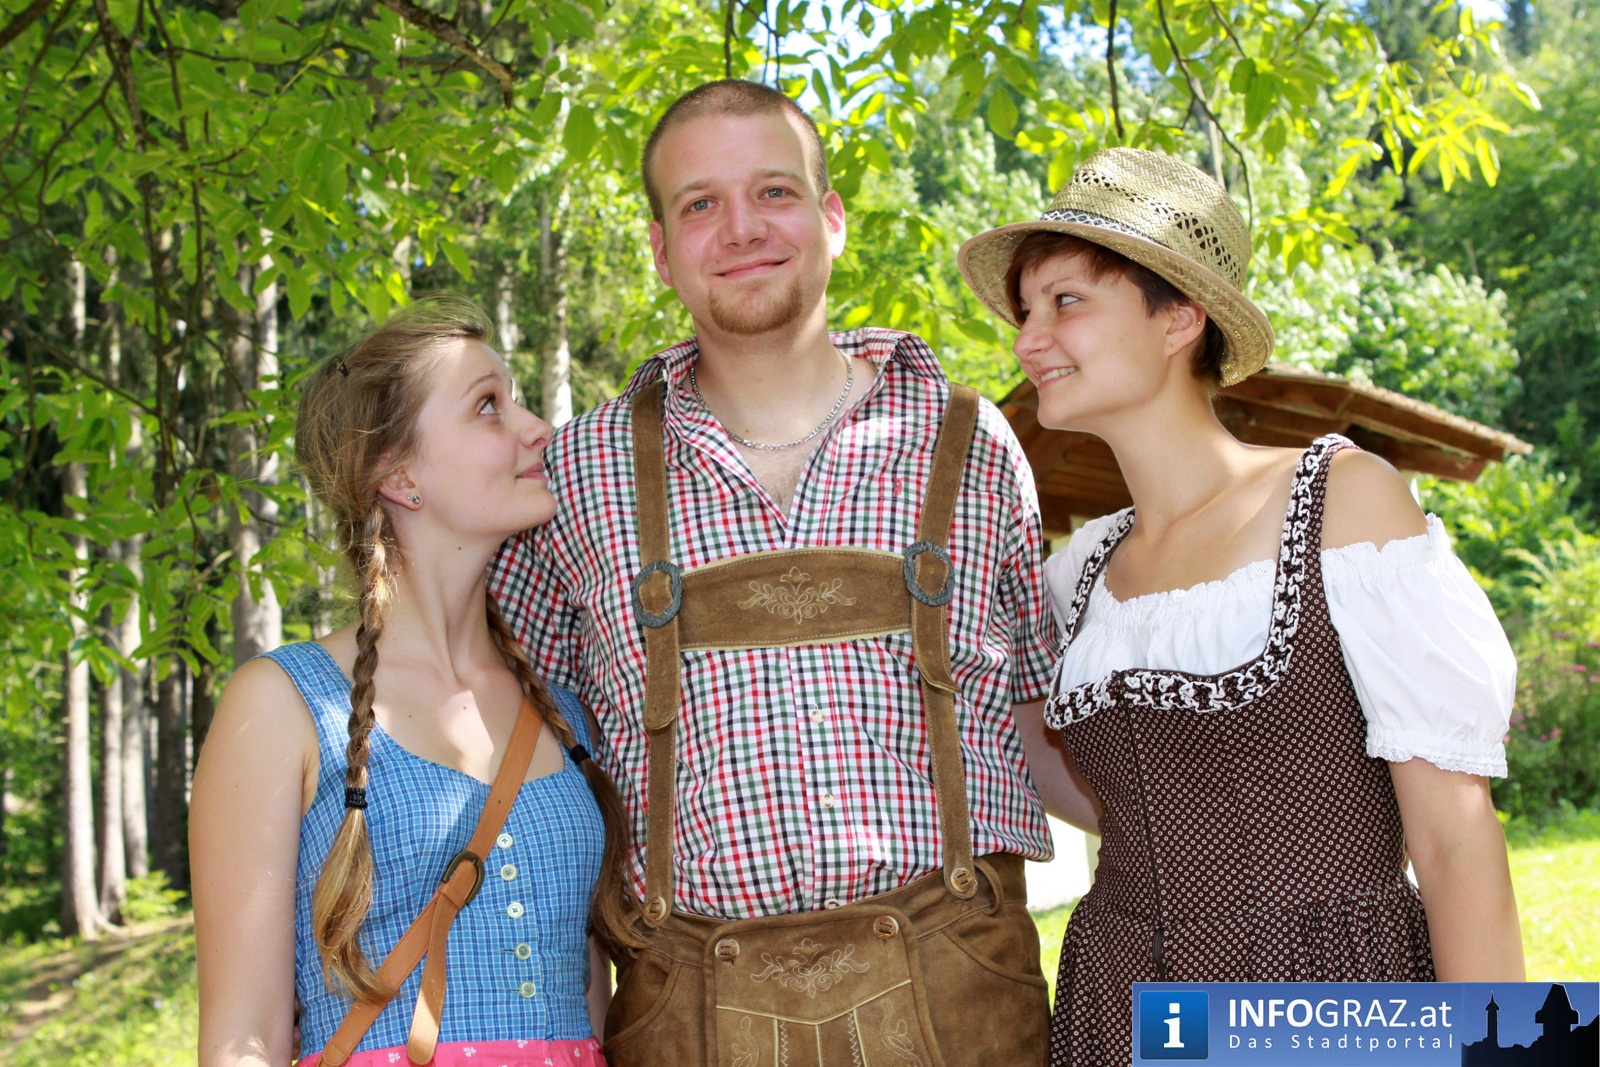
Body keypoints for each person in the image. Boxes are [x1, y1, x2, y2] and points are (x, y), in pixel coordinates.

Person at [490, 80, 1062, 1066]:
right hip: (686, 1016)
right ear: (661, 250)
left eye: (774, 192)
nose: (742, 228)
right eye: (700, 204)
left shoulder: (968, 443)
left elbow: (1047, 721)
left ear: (830, 217)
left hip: (963, 1006)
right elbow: (518, 753)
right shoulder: (575, 475)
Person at [957, 148, 1525, 1064]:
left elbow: (1455, 836)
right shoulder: (1079, 572)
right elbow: (1107, 793)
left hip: (1323, 997)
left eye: (1065, 302)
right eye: (1025, 312)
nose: (1028, 340)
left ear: (1180, 316)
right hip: (1124, 1005)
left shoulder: (1340, 502)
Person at [190, 296, 640, 1067]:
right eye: (489, 406)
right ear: (398, 474)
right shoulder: (285, 704)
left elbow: (591, 1011)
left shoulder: (565, 714)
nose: (537, 427)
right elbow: (243, 1038)